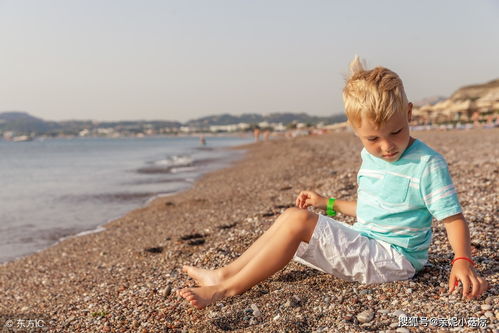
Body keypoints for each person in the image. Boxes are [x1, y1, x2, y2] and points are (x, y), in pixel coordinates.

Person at [177, 56, 488, 309]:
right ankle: (224, 273)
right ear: (354, 130)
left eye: (396, 132)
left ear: (408, 113)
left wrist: (462, 260)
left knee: (298, 222)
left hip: (395, 258)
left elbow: (453, 219)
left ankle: (227, 290)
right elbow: (372, 209)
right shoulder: (371, 158)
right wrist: (326, 203)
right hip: (368, 240)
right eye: (373, 138)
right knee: (290, 216)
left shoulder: (426, 163)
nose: (387, 146)